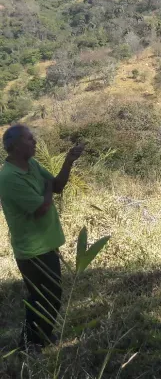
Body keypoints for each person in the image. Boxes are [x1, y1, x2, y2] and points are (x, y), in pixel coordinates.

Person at [0, 125, 84, 350]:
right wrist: (46, 190)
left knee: (50, 295)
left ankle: (42, 338)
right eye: (30, 139)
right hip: (32, 250)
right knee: (42, 297)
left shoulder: (32, 165)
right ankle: (28, 344)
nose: (35, 142)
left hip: (46, 244)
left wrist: (69, 161)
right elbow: (41, 208)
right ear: (15, 146)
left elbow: (56, 186)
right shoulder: (8, 177)